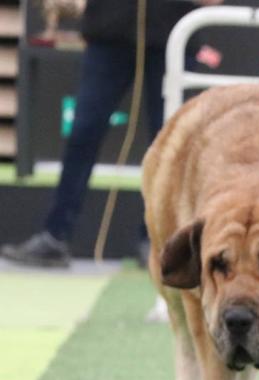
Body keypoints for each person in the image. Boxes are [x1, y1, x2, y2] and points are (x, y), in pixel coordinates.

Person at [1, 0, 222, 268]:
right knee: (83, 132)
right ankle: (55, 235)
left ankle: (157, 241)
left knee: (170, 143)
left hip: (171, 38)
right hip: (109, 33)